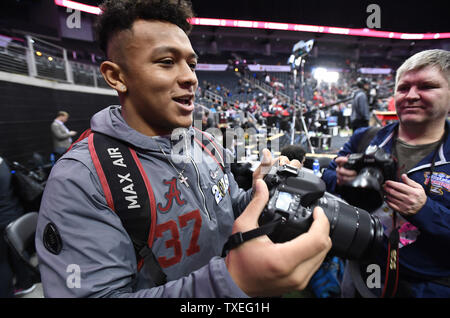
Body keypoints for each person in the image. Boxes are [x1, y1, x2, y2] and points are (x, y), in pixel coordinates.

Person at [35, 0, 331, 298]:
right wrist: (229, 284)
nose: (190, 77)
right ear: (116, 76)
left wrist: (260, 193)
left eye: (191, 64)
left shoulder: (205, 142)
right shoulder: (80, 180)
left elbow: (225, 215)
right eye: (166, 62)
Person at [322, 49, 450, 297]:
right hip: (362, 269)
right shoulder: (366, 138)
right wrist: (340, 180)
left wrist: (426, 211)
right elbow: (326, 178)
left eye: (426, 86)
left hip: (430, 285)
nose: (411, 95)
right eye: (403, 88)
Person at [0, 156, 36, 297]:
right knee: (16, 253)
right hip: (13, 213)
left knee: (1, 262)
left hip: (2, 219)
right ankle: (26, 283)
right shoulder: (3, 161)